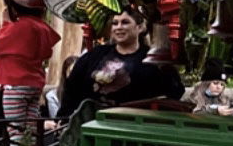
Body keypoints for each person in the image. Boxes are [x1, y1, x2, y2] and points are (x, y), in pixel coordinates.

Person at [56, 8, 185, 119]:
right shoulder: (95, 55)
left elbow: (175, 92)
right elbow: (72, 90)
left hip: (132, 126)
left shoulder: (152, 59)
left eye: (125, 22)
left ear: (140, 27)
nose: (119, 27)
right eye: (115, 23)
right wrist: (63, 119)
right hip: (91, 123)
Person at [0, 0, 61, 146]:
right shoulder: (41, 27)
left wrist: (6, 23)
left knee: (16, 132)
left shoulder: (20, 27)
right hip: (35, 85)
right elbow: (47, 52)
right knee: (31, 131)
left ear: (15, 7)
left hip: (15, 84)